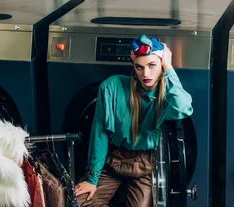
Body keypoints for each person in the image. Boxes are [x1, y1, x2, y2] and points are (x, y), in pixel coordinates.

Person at [74, 34, 193, 206]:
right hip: (113, 160)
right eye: (139, 67)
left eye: (152, 65)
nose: (146, 74)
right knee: (79, 202)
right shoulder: (112, 87)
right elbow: (99, 134)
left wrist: (168, 68)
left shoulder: (169, 94)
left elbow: (183, 107)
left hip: (146, 166)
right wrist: (92, 179)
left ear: (161, 64)